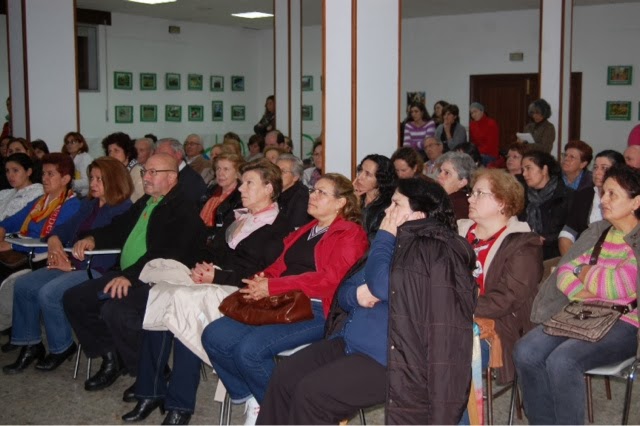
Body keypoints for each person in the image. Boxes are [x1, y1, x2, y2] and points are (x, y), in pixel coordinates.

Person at [258, 178, 478, 425]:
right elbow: (345, 289)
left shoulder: (433, 249)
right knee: (285, 375)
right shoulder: (394, 242)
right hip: (350, 343)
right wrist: (357, 295)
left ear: (419, 215)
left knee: (312, 394)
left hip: (393, 359)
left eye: (395, 204)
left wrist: (384, 237)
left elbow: (382, 285)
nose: (387, 210)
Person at [121, 159, 295, 424]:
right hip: (215, 283)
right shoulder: (239, 218)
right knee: (163, 291)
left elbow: (263, 274)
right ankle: (151, 389)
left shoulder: (278, 228)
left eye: (249, 183)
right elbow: (212, 250)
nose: (241, 189)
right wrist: (203, 266)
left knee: (185, 307)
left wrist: (217, 275)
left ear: (269, 188)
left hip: (246, 293)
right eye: (243, 183)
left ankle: (180, 405)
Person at [201, 173, 368, 425]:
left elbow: (331, 281)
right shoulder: (308, 229)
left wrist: (274, 286)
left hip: (318, 309)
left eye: (322, 192)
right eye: (313, 190)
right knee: (214, 336)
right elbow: (280, 265)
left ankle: (280, 416)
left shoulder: (350, 233)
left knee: (250, 351)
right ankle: (257, 399)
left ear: (341, 202)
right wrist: (262, 281)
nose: (312, 195)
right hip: (281, 301)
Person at [62, 153, 205, 392]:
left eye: (152, 173)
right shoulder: (148, 201)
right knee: (75, 298)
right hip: (132, 272)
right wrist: (92, 238)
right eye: (144, 172)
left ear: (171, 177)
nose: (145, 177)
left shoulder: (182, 209)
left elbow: (164, 255)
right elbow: (119, 227)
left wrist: (128, 276)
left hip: (159, 279)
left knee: (116, 311)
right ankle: (112, 359)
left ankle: (148, 372)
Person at [514, 164, 640, 425]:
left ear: (635, 201)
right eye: (602, 192)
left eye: (612, 194)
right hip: (581, 312)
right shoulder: (599, 232)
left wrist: (584, 272)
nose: (602, 200)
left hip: (626, 324)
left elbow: (619, 285)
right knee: (526, 350)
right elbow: (564, 272)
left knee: (563, 360)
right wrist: (590, 283)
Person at [2, 157, 133, 374]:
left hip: (98, 268)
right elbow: (62, 229)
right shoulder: (89, 205)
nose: (93, 183)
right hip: (73, 262)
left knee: (49, 293)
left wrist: (74, 260)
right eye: (92, 178)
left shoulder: (123, 208)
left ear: (115, 180)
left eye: (100, 179)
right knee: (25, 285)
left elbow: (113, 242)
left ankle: (61, 347)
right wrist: (54, 240)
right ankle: (31, 344)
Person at [458, 169, 543, 384]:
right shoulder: (458, 231)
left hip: (498, 324)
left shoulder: (523, 243)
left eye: (479, 193)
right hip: (452, 315)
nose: (471, 199)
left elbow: (508, 298)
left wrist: (455, 304)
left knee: (448, 355)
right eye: (472, 193)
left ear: (502, 202)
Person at [0, 153, 80, 260]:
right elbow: (14, 220)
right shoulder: (40, 200)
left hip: (41, 257)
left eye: (50, 174)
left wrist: (12, 245)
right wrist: (2, 229)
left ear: (65, 179)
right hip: (23, 249)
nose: (44, 178)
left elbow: (52, 239)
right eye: (43, 173)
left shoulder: (72, 205)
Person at [558, 150, 625, 255]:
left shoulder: (624, 200)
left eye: (604, 168)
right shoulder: (584, 195)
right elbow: (567, 233)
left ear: (618, 171)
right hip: (581, 254)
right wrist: (572, 262)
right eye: (595, 167)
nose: (597, 172)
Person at [519, 150, 573, 259]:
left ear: (544, 169)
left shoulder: (566, 195)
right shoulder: (522, 195)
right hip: (524, 250)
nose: (524, 174)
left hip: (554, 254)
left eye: (528, 168)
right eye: (523, 170)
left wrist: (546, 239)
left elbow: (571, 230)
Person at [199, 153, 244, 239]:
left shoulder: (240, 197)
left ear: (237, 174)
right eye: (218, 169)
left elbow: (229, 231)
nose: (220, 173)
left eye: (226, 169)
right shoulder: (211, 190)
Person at [352, 154, 396, 241]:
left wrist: (354, 209)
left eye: (367, 174)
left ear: (380, 179)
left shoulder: (388, 207)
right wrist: (352, 202)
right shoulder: (357, 197)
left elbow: (370, 241)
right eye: (360, 171)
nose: (360, 177)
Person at [155, 138, 207, 203]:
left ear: (178, 155)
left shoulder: (191, 181)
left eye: (163, 155)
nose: (158, 160)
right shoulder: (161, 175)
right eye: (156, 156)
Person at [102, 132, 145, 202]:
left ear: (128, 153)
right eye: (110, 151)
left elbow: (143, 199)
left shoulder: (137, 171)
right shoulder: (115, 171)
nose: (112, 155)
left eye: (116, 150)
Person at [0, 153, 43, 221]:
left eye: (15, 170)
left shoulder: (38, 192)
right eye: (7, 171)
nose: (10, 175)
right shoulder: (4, 193)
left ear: (28, 172)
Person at [435, 151, 476, 220]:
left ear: (462, 182)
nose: (439, 176)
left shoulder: (457, 207)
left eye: (447, 173)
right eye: (440, 171)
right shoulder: (445, 200)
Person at [276, 154, 312, 228]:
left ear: (295, 177)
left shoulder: (302, 197)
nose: (277, 174)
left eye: (283, 171)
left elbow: (295, 227)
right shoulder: (273, 191)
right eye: (276, 170)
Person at [63, 131, 93, 197]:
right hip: (73, 193)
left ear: (81, 144)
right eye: (67, 143)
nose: (69, 145)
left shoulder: (85, 157)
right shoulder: (68, 158)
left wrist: (69, 182)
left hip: (85, 195)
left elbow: (88, 181)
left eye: (72, 142)